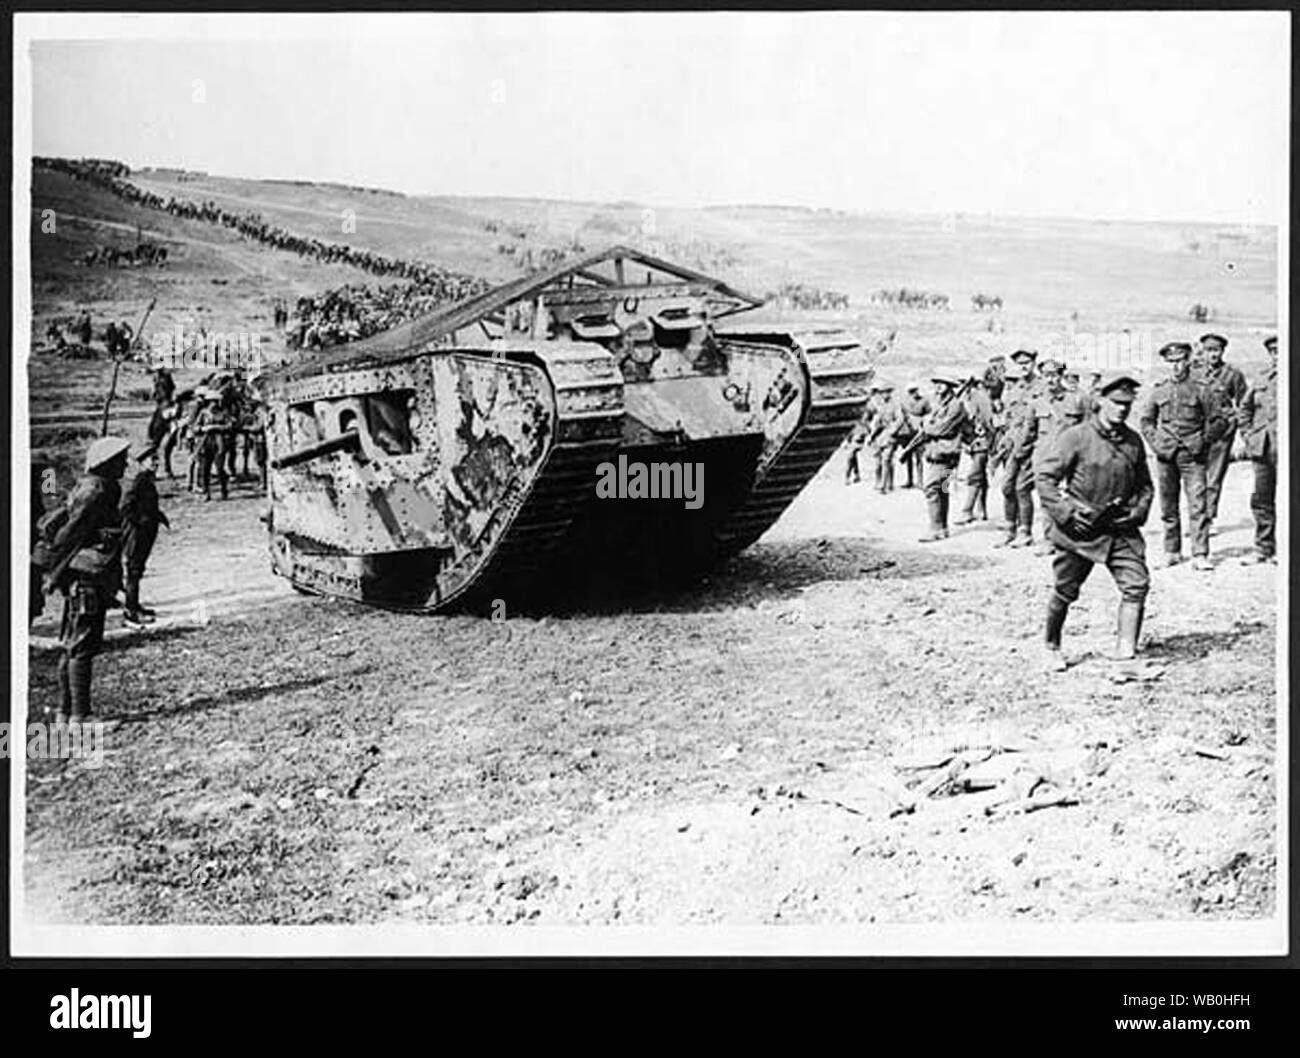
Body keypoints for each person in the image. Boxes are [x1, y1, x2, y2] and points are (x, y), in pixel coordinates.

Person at [1035, 374, 1154, 671]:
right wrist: (1066, 514)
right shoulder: (1076, 436)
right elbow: (1045, 479)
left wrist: (1138, 512)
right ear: (1100, 401)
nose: (1122, 410)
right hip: (1081, 529)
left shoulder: (1133, 440)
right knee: (1065, 590)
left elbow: (1145, 486)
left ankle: (1126, 654)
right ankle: (1051, 645)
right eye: (1116, 403)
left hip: (1119, 528)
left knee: (1136, 585)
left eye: (1127, 404)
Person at [44, 437, 131, 724]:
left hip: (82, 575)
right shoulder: (97, 490)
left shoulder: (92, 485)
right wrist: (56, 574)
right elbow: (69, 535)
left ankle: (65, 713)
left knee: (72, 645)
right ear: (106, 463)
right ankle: (81, 716)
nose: (125, 464)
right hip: (87, 576)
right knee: (82, 646)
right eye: (121, 459)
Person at [1139, 342, 1212, 570]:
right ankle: (1172, 551)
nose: (1176, 366)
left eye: (1180, 360)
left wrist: (1203, 441)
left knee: (1198, 504)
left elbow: (1219, 419)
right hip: (1166, 455)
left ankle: (1200, 554)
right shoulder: (1159, 390)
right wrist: (1156, 444)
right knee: (1168, 505)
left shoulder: (1201, 388)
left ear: (1189, 360)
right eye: (1171, 362)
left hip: (1193, 455)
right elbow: (1146, 421)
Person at [1195, 333, 1248, 530]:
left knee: (1214, 477)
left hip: (1222, 433)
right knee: (1195, 476)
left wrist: (1242, 432)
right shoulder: (1194, 372)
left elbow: (1244, 404)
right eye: (1209, 351)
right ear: (1202, 352)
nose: (1212, 355)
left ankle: (1208, 519)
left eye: (1216, 350)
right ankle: (1196, 517)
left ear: (1222, 351)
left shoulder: (1232, 374)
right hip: (1197, 431)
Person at [915, 373, 972, 542]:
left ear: (949, 386)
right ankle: (942, 528)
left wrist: (926, 425)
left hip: (946, 455)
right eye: (936, 383)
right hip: (937, 453)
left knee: (931, 487)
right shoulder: (940, 405)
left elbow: (942, 429)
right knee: (942, 489)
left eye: (942, 383)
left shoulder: (956, 406)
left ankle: (935, 528)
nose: (938, 387)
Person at [1237, 335, 1278, 564]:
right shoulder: (1262, 378)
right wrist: (1249, 436)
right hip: (1263, 448)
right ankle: (1264, 548)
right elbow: (1245, 410)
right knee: (1262, 499)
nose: (1278, 356)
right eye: (1273, 352)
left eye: (1281, 351)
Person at [120, 445, 170, 626]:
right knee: (133, 571)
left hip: (145, 532)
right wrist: (141, 522)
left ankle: (134, 605)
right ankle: (130, 611)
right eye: (152, 460)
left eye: (157, 459)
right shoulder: (139, 481)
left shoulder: (147, 480)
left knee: (138, 570)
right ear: (141, 463)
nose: (156, 463)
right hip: (136, 533)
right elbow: (126, 507)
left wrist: (159, 516)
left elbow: (148, 505)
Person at [993, 363, 1038, 547]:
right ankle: (1010, 528)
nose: (1009, 385)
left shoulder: (1038, 388)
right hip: (1012, 447)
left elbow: (1033, 424)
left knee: (1022, 488)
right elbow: (1010, 422)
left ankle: (1025, 531)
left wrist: (1024, 446)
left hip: (1029, 448)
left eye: (1012, 381)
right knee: (1007, 487)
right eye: (1008, 381)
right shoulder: (1013, 394)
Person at [954, 375, 996, 524]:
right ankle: (982, 509)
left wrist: (990, 444)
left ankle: (967, 511)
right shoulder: (962, 399)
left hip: (981, 442)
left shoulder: (980, 398)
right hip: (969, 442)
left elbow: (988, 422)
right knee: (980, 476)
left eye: (961, 383)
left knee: (974, 476)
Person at [867, 381, 905, 493]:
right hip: (879, 437)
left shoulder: (896, 404)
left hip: (890, 436)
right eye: (881, 392)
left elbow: (900, 419)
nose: (883, 395)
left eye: (885, 392)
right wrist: (871, 435)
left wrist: (893, 430)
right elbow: (876, 422)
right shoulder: (880, 405)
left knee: (886, 460)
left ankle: (884, 485)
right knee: (877, 462)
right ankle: (881, 482)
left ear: (890, 393)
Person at [899, 384, 931, 489]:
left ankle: (920, 481)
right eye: (911, 391)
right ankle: (909, 480)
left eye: (915, 391)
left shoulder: (924, 401)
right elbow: (902, 417)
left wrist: (922, 421)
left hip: (919, 432)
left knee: (919, 458)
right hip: (907, 432)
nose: (914, 393)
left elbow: (928, 414)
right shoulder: (904, 402)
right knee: (908, 457)